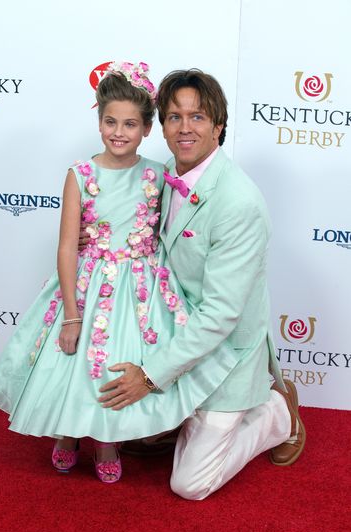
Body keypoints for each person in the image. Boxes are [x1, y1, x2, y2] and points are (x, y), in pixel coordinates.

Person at [0, 63, 223, 483]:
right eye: (110, 121)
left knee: (114, 363)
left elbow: (165, 229)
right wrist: (72, 314)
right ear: (98, 120)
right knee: (74, 362)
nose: (119, 132)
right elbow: (65, 245)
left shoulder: (157, 173)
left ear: (148, 128)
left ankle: (107, 438)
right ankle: (68, 433)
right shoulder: (81, 174)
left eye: (130, 123)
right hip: (87, 286)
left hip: (140, 289)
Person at [97, 69, 306, 499]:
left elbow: (220, 316)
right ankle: (176, 419)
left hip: (224, 350)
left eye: (197, 117)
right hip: (169, 328)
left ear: (218, 125)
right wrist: (93, 236)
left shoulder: (238, 203)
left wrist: (151, 378)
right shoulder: (163, 176)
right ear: (163, 126)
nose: (185, 127)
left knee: (190, 484)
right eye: (175, 117)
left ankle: (276, 411)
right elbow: (128, 226)